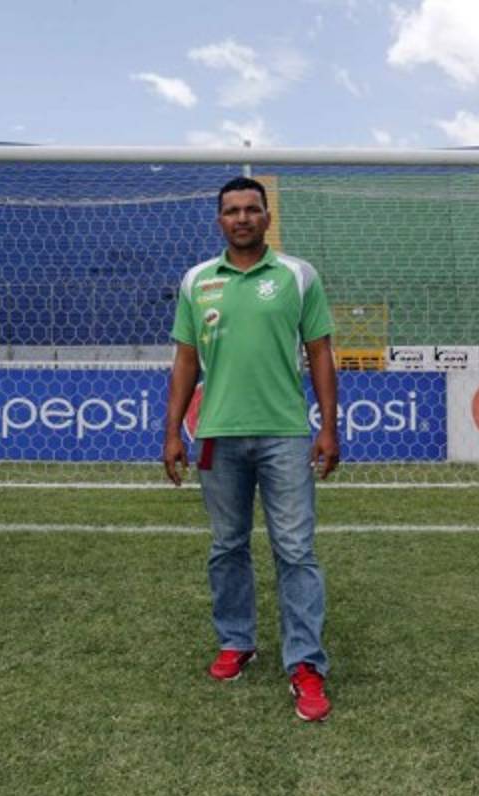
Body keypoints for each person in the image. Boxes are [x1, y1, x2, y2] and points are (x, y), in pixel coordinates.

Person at [162, 176, 340, 722]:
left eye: (251, 209)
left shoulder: (298, 276)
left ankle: (305, 663)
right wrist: (172, 432)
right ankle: (236, 641)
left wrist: (328, 428)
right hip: (217, 434)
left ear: (267, 216)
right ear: (220, 220)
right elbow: (186, 361)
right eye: (231, 210)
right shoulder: (197, 280)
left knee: (296, 549)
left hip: (285, 434)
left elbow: (320, 353)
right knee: (227, 546)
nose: (241, 218)